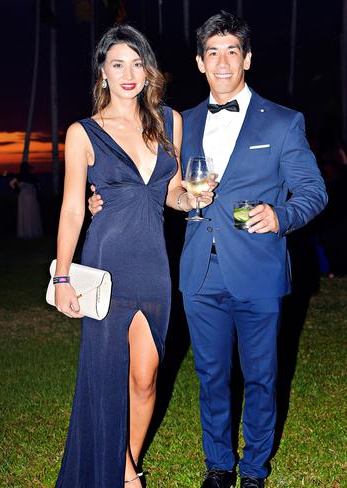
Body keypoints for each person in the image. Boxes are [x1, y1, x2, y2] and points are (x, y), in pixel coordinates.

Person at [89, 11, 327, 488]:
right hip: (198, 273)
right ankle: (219, 467)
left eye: (232, 52)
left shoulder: (283, 122)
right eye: (212, 53)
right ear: (200, 62)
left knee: (260, 379)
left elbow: (313, 192)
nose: (222, 62)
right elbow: (155, 185)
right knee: (211, 376)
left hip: (258, 269)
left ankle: (255, 471)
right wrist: (105, 201)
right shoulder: (178, 122)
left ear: (247, 59)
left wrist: (281, 216)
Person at [53, 24, 213, 488]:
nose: (128, 73)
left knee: (146, 375)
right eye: (117, 63)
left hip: (154, 264)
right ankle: (126, 475)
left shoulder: (169, 120)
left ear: (148, 70)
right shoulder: (83, 133)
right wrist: (63, 278)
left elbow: (171, 192)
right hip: (106, 261)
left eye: (136, 63)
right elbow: (69, 209)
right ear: (102, 72)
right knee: (107, 376)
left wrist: (194, 200)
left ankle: (127, 460)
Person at [9, 162, 43, 239]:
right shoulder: (32, 176)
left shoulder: (19, 176)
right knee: (32, 214)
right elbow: (39, 185)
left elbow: (11, 183)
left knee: (25, 214)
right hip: (32, 197)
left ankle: (25, 232)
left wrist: (18, 189)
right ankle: (32, 232)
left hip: (23, 197)